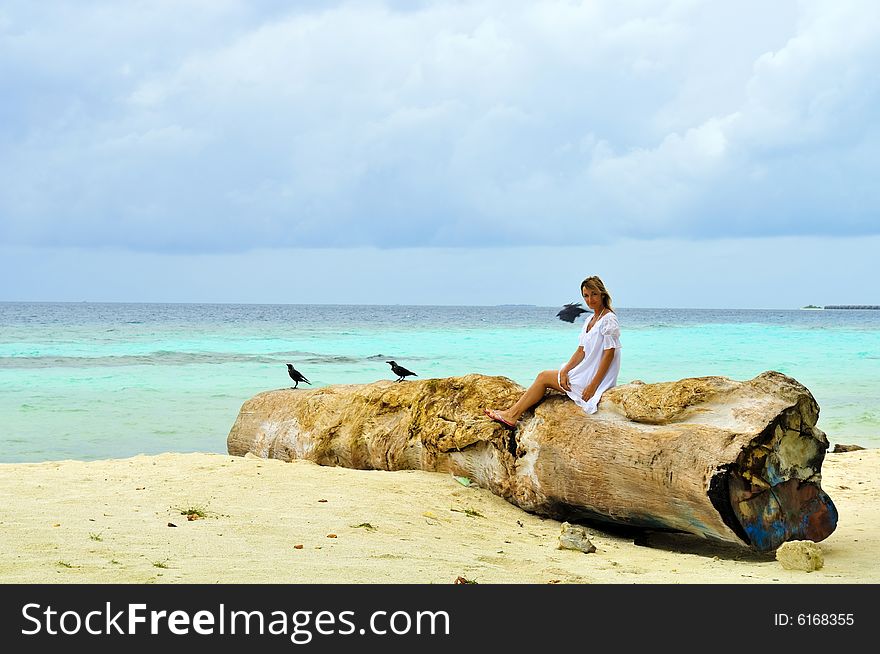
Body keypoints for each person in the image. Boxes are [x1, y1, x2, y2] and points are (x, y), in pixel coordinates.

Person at [484, 275, 621, 427]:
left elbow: (609, 354)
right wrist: (565, 370)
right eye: (586, 296)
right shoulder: (591, 319)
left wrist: (593, 385)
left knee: (543, 377)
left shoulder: (608, 319)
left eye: (594, 294)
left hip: (595, 379)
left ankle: (511, 415)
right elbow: (581, 351)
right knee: (549, 376)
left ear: (602, 293)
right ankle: (511, 413)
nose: (590, 300)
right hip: (586, 372)